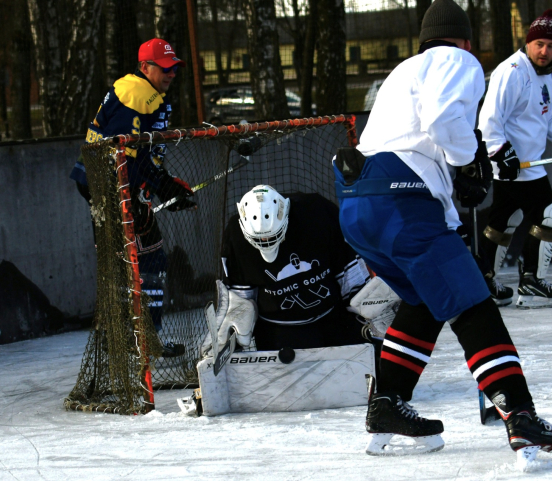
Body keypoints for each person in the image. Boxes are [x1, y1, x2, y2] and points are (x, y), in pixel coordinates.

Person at [333, 0, 552, 467]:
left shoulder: (404, 70)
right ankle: (519, 414)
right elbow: (444, 122)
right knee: (471, 300)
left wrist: (452, 185)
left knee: (425, 301)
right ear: (464, 40)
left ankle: (387, 404)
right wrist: (469, 161)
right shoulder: (457, 60)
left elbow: (413, 140)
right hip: (401, 202)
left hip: (358, 204)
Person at [70, 39, 196, 357]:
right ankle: (134, 339)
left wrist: (164, 185)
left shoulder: (137, 91)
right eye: (164, 68)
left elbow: (141, 154)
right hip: (112, 187)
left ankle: (137, 338)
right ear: (145, 67)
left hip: (112, 184)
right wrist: (147, 192)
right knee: (140, 262)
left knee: (142, 261)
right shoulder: (139, 96)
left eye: (174, 68)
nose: (170, 74)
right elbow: (126, 154)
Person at [478, 9, 552, 309]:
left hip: (527, 163)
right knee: (550, 212)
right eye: (539, 45)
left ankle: (483, 283)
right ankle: (531, 283)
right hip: (512, 164)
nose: (544, 51)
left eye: (550, 45)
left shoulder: (550, 74)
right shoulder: (513, 72)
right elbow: (489, 118)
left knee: (505, 219)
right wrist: (499, 151)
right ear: (528, 43)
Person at [218, 185, 387, 351]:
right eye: (259, 239)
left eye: (271, 235)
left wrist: (366, 310)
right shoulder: (236, 238)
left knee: (359, 364)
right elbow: (242, 298)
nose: (265, 242)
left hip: (332, 316)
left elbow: (349, 272)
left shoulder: (317, 214)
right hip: (279, 329)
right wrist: (237, 319)